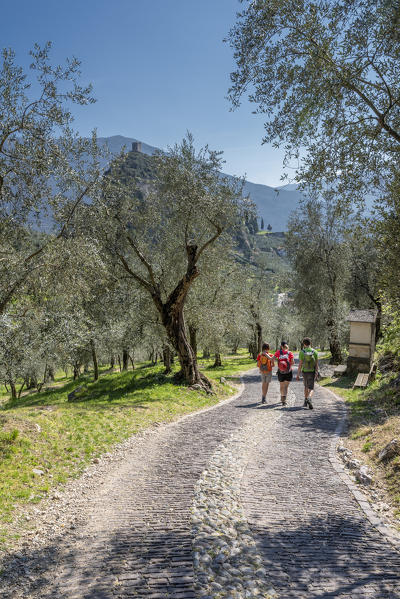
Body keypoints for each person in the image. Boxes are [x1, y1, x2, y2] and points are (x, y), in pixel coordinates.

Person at [297, 337, 319, 409]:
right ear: (310, 343)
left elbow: (300, 364)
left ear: (304, 344)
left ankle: (306, 401)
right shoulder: (315, 352)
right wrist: (316, 372)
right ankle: (309, 398)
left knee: (306, 386)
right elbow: (316, 364)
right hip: (312, 372)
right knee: (311, 388)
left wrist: (298, 374)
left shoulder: (302, 352)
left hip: (304, 372)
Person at [274, 341, 294, 406]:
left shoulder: (278, 352)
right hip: (288, 371)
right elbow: (293, 362)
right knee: (286, 387)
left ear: (281, 346)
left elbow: (272, 359)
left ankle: (283, 397)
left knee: (282, 386)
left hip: (280, 372)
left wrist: (279, 362)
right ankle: (284, 399)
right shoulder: (289, 353)